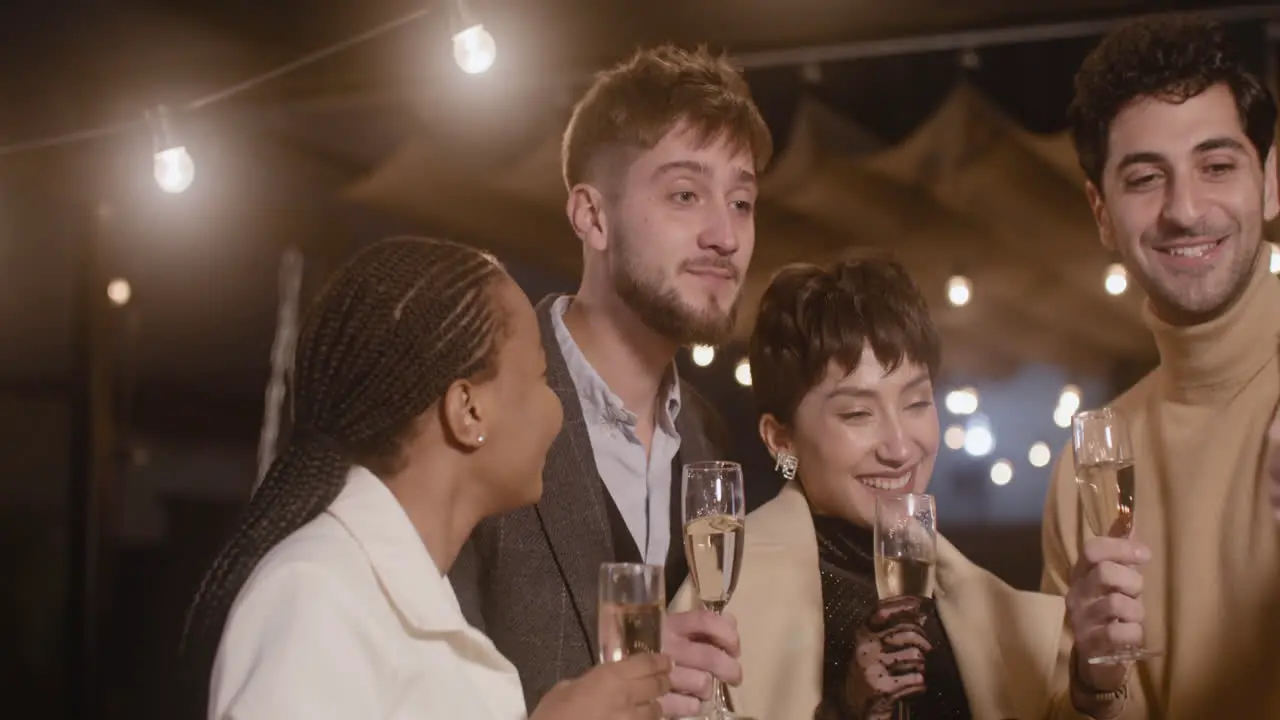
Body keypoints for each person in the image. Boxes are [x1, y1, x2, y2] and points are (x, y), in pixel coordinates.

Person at [177, 237, 673, 719]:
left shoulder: (413, 597)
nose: (558, 411)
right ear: (469, 410)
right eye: (543, 378)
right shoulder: (315, 593)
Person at [449, 44, 773, 717]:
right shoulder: (474, 409)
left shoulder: (709, 436)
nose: (726, 235)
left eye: (741, 201)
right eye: (686, 194)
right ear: (591, 216)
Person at [672, 256, 1069, 719]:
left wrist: (1095, 690)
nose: (900, 448)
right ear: (780, 438)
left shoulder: (986, 604)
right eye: (858, 413)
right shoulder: (728, 596)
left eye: (917, 402)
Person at [1041, 14, 1279, 719]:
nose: (1184, 209)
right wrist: (1090, 681)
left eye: (1217, 166)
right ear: (1102, 214)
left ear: (1271, 181)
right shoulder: (1090, 462)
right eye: (1146, 178)